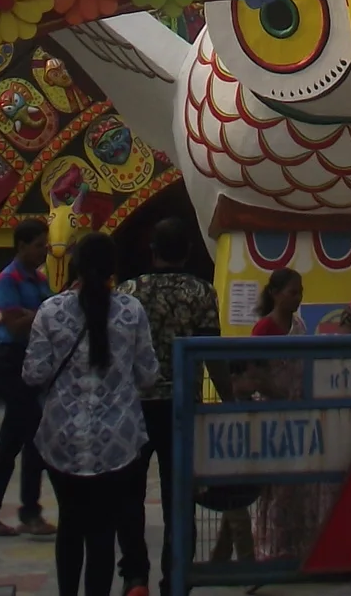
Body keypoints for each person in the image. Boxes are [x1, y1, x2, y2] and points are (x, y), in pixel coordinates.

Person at [25, 231, 160, 596]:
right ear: (112, 268)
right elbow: (149, 375)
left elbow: (33, 373)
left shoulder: (50, 311)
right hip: (117, 441)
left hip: (62, 439)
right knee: (102, 531)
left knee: (70, 524)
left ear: (75, 267)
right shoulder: (131, 311)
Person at [118, 218, 220, 596]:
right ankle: (176, 577)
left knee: (129, 493)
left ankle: (134, 576)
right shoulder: (201, 293)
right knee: (180, 496)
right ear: (189, 251)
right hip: (182, 409)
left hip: (135, 407)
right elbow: (212, 355)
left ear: (152, 250)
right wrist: (224, 403)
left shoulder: (128, 292)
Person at [0, 216, 58, 537]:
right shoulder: (7, 280)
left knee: (13, 440)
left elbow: (50, 314)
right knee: (32, 435)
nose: (44, 251)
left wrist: (34, 315)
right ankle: (29, 511)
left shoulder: (39, 280)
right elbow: (14, 323)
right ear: (22, 246)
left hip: (33, 361)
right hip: (11, 362)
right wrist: (38, 315)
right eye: (39, 245)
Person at [247, 269, 322, 564]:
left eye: (300, 291)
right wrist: (276, 393)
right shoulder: (263, 329)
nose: (298, 297)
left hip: (298, 413)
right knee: (276, 488)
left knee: (300, 486)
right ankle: (272, 548)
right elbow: (254, 371)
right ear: (276, 293)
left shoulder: (300, 326)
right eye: (293, 291)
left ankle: (299, 547)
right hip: (273, 413)